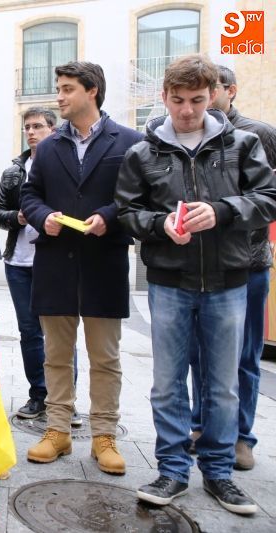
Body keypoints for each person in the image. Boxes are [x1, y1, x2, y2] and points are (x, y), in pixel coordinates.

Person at [116, 54, 276, 515]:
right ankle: (172, 470)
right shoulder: (142, 153)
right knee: (167, 382)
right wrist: (159, 223)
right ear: (164, 97)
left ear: (215, 97)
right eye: (179, 100)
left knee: (222, 383)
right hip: (168, 281)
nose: (187, 110)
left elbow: (268, 198)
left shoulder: (243, 144)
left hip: (228, 280)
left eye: (198, 100)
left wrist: (224, 210)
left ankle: (220, 473)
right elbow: (127, 213)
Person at [20, 61, 142, 475]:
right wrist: (42, 217)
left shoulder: (128, 141)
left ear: (92, 91)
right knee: (56, 355)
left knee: (105, 357)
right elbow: (30, 195)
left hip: (103, 262)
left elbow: (135, 199)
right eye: (59, 88)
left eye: (67, 88)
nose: (59, 96)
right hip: (55, 262)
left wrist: (109, 215)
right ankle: (57, 430)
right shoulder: (49, 147)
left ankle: (104, 435)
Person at [188, 65, 276, 470]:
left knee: (243, 356)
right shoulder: (187, 136)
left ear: (229, 91)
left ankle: (241, 437)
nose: (197, 99)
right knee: (198, 356)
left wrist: (224, 214)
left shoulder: (259, 135)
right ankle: (200, 425)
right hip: (196, 266)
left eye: (208, 89)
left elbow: (269, 199)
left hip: (248, 265)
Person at [0, 107, 65, 420]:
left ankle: (65, 399)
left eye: (38, 126)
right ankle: (38, 395)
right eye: (27, 127)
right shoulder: (14, 170)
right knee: (30, 332)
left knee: (61, 333)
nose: (31, 132)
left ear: (52, 129)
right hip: (19, 263)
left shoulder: (65, 165)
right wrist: (17, 217)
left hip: (55, 260)